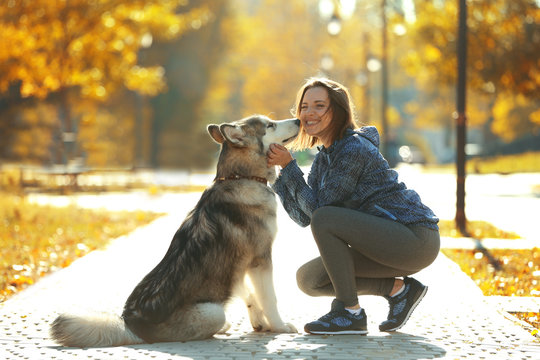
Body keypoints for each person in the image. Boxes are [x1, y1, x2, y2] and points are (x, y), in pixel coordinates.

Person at [267, 77, 440, 335]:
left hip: (415, 238)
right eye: (303, 107)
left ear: (337, 111)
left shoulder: (353, 149)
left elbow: (320, 213)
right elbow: (303, 217)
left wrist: (290, 167)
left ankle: (350, 313)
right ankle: (400, 290)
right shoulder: (324, 159)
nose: (308, 113)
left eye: (318, 106)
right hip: (384, 243)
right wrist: (280, 177)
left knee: (325, 218)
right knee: (310, 280)